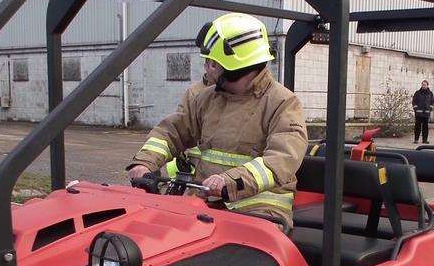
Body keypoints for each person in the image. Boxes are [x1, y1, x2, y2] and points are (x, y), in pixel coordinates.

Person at [127, 13, 308, 229]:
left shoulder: (283, 103)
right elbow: (172, 131)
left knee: (228, 260)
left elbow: (282, 159)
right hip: (205, 202)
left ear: (235, 68)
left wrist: (230, 181)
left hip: (260, 211)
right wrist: (144, 162)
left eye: (213, 63)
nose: (206, 67)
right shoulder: (205, 98)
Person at [412, 80, 434, 144]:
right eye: (422, 84)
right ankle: (416, 140)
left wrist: (430, 108)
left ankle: (424, 140)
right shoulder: (417, 93)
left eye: (425, 85)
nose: (423, 86)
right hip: (418, 114)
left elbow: (432, 102)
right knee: (417, 127)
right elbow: (414, 101)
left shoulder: (430, 93)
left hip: (426, 114)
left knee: (425, 127)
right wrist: (416, 109)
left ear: (427, 85)